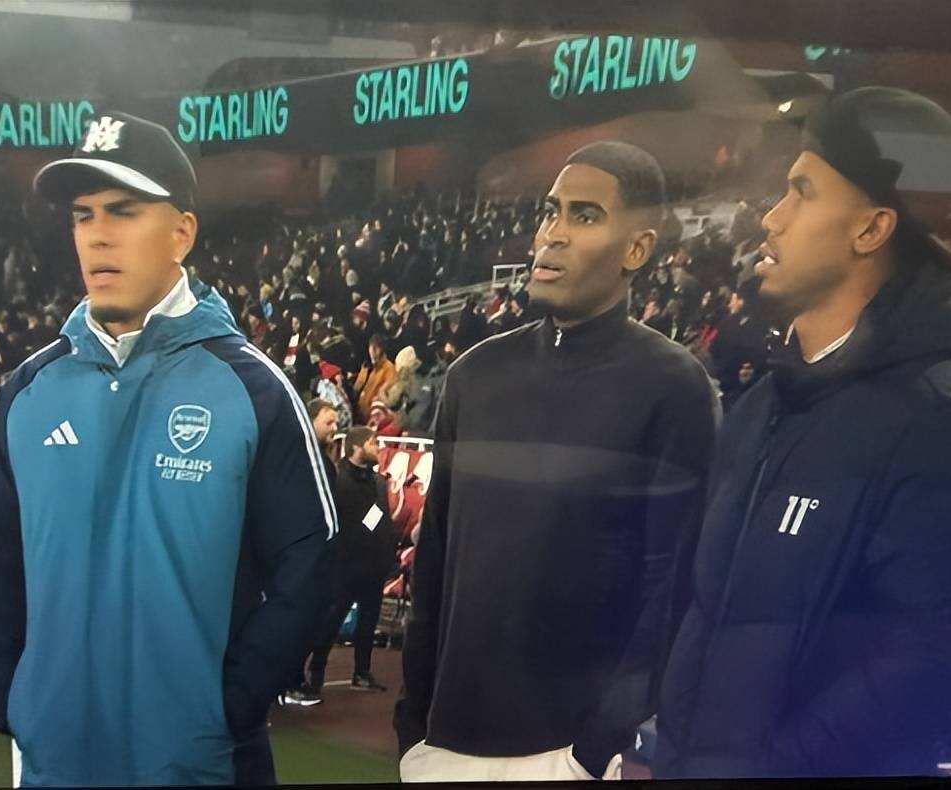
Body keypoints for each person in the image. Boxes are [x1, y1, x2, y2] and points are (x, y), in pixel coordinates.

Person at [0, 111, 337, 787]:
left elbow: (311, 558)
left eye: (124, 211)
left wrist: (229, 707)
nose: (98, 234)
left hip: (199, 764)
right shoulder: (30, 389)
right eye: (83, 215)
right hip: (54, 762)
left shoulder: (252, 389)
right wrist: (13, 693)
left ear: (181, 233)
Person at [656, 87, 951, 779]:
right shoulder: (761, 405)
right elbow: (710, 611)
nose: (772, 218)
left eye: (802, 192)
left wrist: (771, 765)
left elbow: (940, 653)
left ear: (871, 229)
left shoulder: (927, 413)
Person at [396, 141, 717, 781]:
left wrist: (595, 748)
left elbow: (669, 589)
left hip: (566, 753)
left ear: (636, 250)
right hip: (441, 744)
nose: (553, 233)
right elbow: (433, 562)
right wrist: (413, 727)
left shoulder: (674, 387)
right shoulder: (473, 376)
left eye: (585, 215)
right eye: (551, 211)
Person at [290, 426, 397, 706]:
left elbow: (381, 519)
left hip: (374, 564)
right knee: (331, 622)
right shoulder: (340, 481)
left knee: (368, 621)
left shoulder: (377, 482)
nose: (377, 448)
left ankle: (361, 672)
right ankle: (315, 673)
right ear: (356, 447)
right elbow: (353, 524)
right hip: (347, 565)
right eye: (372, 443)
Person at [355, 334, 396, 423]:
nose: (372, 353)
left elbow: (384, 393)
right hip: (361, 415)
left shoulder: (389, 369)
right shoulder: (368, 368)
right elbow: (357, 387)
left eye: (375, 349)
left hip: (374, 417)